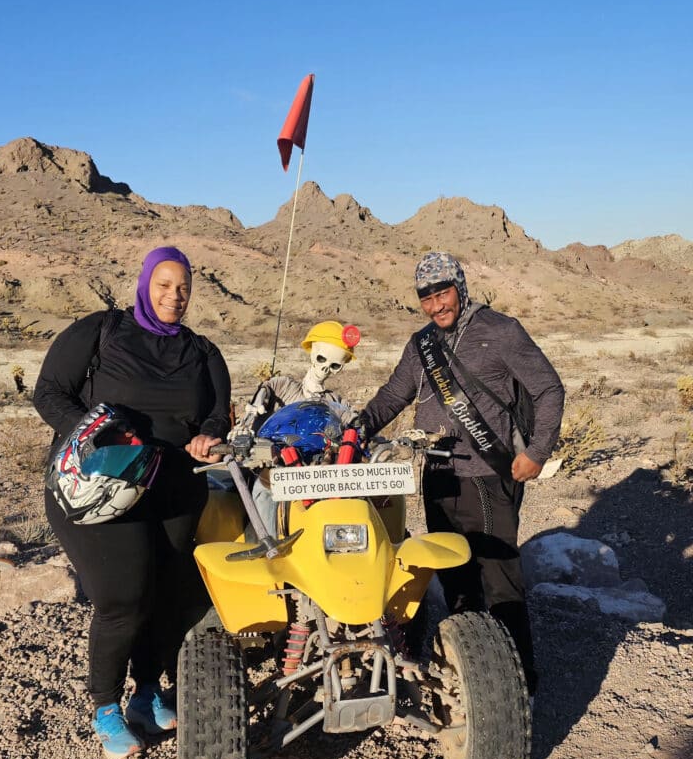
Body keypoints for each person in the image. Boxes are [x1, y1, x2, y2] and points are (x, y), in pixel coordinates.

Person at [33, 246, 231, 759]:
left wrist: (208, 438)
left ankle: (145, 691)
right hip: (100, 485)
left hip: (175, 488)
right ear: (145, 284)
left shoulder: (203, 352)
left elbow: (216, 414)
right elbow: (50, 392)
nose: (175, 295)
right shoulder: (102, 331)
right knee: (123, 596)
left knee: (170, 591)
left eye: (183, 286)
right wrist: (95, 431)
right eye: (164, 284)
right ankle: (105, 706)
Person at [359, 252, 564, 695]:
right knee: (455, 577)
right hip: (439, 479)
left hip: (488, 478)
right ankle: (470, 678)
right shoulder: (421, 344)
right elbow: (393, 394)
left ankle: (519, 685)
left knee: (499, 579)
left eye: (443, 293)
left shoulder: (501, 331)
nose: (436, 306)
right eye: (426, 298)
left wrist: (538, 450)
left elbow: (548, 388)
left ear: (460, 286)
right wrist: (355, 429)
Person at [232, 321, 361, 537]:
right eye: (322, 359)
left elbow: (356, 424)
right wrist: (246, 424)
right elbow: (259, 401)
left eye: (334, 365)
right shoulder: (283, 386)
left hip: (321, 472)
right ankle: (265, 547)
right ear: (312, 353)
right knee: (265, 488)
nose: (324, 368)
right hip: (280, 466)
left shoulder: (335, 401)